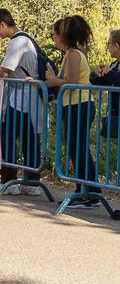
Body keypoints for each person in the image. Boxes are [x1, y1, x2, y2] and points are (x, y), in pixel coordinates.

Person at [0, 9, 44, 196]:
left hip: (22, 98)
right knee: (30, 139)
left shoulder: (16, 43)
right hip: (32, 96)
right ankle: (32, 182)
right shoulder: (26, 38)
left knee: (8, 137)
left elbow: (4, 72)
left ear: (2, 25)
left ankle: (9, 181)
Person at [45, 16, 98, 210]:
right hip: (75, 105)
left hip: (79, 104)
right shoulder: (71, 53)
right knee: (77, 147)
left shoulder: (74, 54)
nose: (53, 37)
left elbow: (73, 82)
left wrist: (53, 81)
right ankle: (88, 191)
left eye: (55, 33)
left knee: (78, 148)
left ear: (64, 35)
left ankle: (86, 192)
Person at [91, 29, 120, 145]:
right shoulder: (114, 64)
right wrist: (96, 73)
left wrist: (110, 73)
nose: (107, 47)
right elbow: (97, 82)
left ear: (116, 46)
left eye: (108, 43)